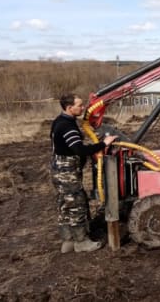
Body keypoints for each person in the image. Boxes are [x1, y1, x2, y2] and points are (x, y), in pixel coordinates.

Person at [50, 94, 117, 253]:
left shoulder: (59, 121)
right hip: (67, 171)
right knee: (76, 204)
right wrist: (103, 144)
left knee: (64, 204)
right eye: (79, 105)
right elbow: (78, 149)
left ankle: (68, 242)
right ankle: (81, 242)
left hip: (58, 168)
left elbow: (67, 145)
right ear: (69, 108)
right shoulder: (67, 126)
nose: (83, 108)